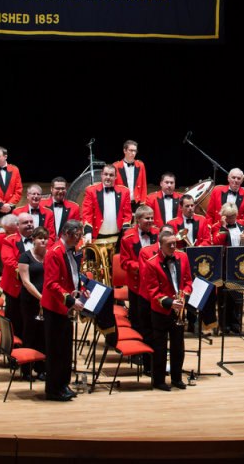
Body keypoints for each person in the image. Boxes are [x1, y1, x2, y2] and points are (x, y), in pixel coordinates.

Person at [41, 220, 85, 401]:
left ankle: (63, 384)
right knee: (56, 350)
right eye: (77, 235)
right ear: (66, 233)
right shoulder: (54, 253)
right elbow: (51, 283)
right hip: (55, 307)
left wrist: (82, 288)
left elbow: (73, 274)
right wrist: (70, 300)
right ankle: (53, 389)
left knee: (66, 349)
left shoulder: (72, 250)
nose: (80, 239)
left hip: (65, 306)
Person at [142, 232, 193, 391]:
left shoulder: (182, 257)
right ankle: (158, 380)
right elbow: (152, 291)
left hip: (179, 308)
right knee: (160, 347)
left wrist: (183, 296)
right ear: (161, 245)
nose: (173, 246)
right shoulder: (151, 263)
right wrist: (171, 302)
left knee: (178, 346)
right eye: (169, 244)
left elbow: (188, 281)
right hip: (161, 310)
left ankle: (177, 378)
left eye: (174, 243)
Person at [119, 206, 159, 367]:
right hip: (136, 285)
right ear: (138, 220)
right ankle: (137, 353)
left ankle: (153, 351)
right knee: (137, 319)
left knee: (154, 318)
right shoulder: (127, 238)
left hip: (155, 284)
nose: (150, 221)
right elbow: (124, 262)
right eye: (146, 218)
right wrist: (142, 266)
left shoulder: (158, 234)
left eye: (151, 218)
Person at [213, 202, 244, 334]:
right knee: (223, 297)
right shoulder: (217, 227)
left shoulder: (243, 227)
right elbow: (216, 243)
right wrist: (223, 227)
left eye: (232, 216)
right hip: (224, 266)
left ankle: (236, 325)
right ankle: (224, 326)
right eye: (227, 216)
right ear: (223, 216)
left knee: (237, 297)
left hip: (240, 268)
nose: (230, 219)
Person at [17, 226, 49, 381]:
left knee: (43, 335)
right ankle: (26, 369)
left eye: (45, 238)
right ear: (33, 240)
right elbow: (26, 281)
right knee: (29, 333)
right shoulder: (25, 257)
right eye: (39, 238)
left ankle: (41, 368)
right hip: (30, 301)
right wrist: (40, 297)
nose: (43, 240)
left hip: (46, 302)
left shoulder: (50, 256)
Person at [81, 164, 132, 244]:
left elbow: (127, 214)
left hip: (118, 237)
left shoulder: (124, 192)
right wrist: (88, 232)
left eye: (111, 175)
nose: (108, 177)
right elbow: (87, 213)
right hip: (97, 236)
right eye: (106, 174)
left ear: (116, 177)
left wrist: (126, 231)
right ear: (101, 175)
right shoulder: (91, 191)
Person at [113, 140, 147, 213]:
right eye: (131, 150)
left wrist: (143, 201)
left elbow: (143, 184)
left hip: (136, 201)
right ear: (124, 150)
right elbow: (114, 185)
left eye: (135, 151)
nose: (133, 153)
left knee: (136, 223)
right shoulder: (116, 166)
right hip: (121, 201)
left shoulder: (140, 165)